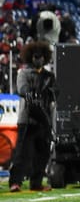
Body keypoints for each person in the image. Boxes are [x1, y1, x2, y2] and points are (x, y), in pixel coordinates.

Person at [9, 42, 56, 192]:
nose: (38, 59)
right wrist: (29, 94)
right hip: (27, 119)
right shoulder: (24, 73)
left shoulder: (49, 76)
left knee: (42, 153)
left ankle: (36, 182)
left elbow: (55, 93)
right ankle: (15, 182)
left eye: (41, 57)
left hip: (43, 119)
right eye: (36, 57)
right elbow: (22, 88)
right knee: (23, 153)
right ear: (31, 58)